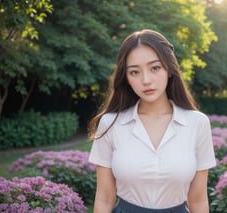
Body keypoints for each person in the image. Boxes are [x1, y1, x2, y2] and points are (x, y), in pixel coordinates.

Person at [88, 29, 216, 213]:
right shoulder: (110, 124)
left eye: (155, 68)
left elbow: (198, 201)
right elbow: (104, 199)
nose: (146, 80)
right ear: (127, 78)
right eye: (134, 72)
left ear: (169, 69)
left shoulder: (198, 123)